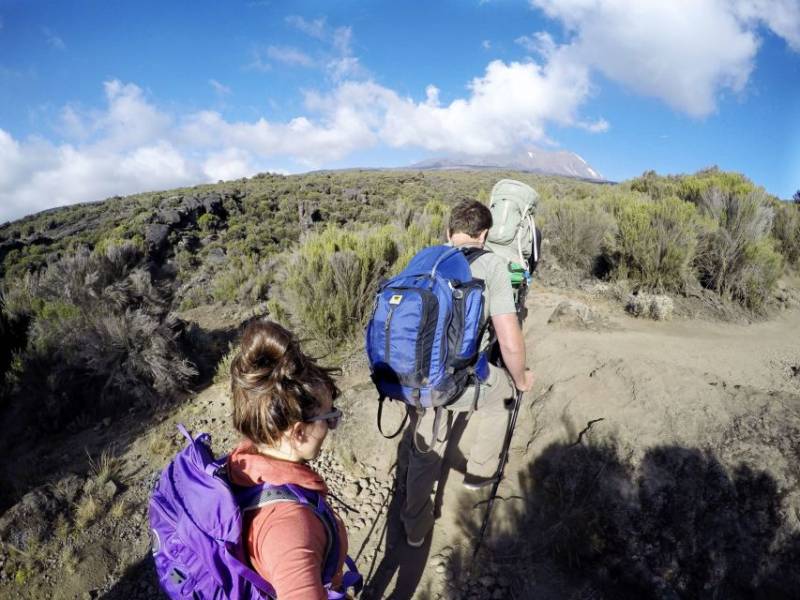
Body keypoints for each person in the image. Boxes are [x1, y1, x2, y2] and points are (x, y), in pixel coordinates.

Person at [401, 199, 535, 547]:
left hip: (416, 374)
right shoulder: (492, 266)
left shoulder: (425, 258)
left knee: (426, 442)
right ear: (485, 234)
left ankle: (414, 526)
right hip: (457, 378)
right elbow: (509, 341)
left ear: (449, 232)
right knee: (503, 393)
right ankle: (477, 474)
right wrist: (520, 379)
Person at [226, 319, 350, 599]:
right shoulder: (291, 529)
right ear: (298, 432)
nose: (331, 428)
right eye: (330, 418)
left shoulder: (243, 463)